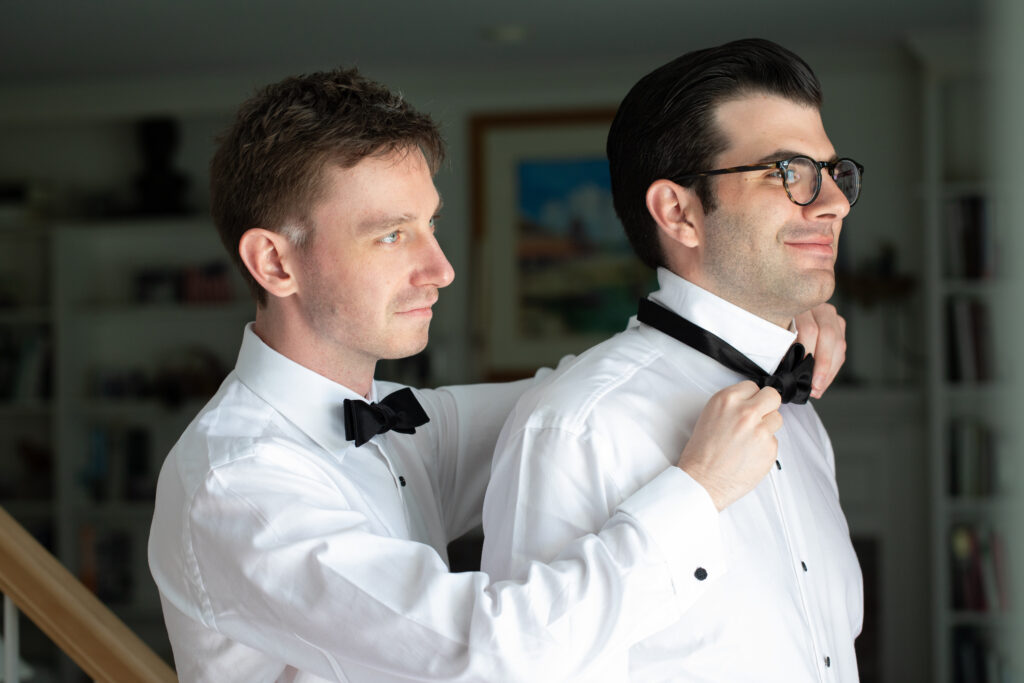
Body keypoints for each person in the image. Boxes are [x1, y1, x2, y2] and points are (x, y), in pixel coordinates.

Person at [147, 65, 848, 682]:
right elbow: (496, 651)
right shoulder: (237, 483)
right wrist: (697, 493)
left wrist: (771, 333)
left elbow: (597, 391)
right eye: (392, 234)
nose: (441, 268)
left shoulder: (397, 423)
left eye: (431, 226)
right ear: (274, 262)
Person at [481, 38, 863, 682]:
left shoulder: (801, 411)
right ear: (679, 212)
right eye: (787, 172)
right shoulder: (577, 428)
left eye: (833, 173)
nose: (834, 203)